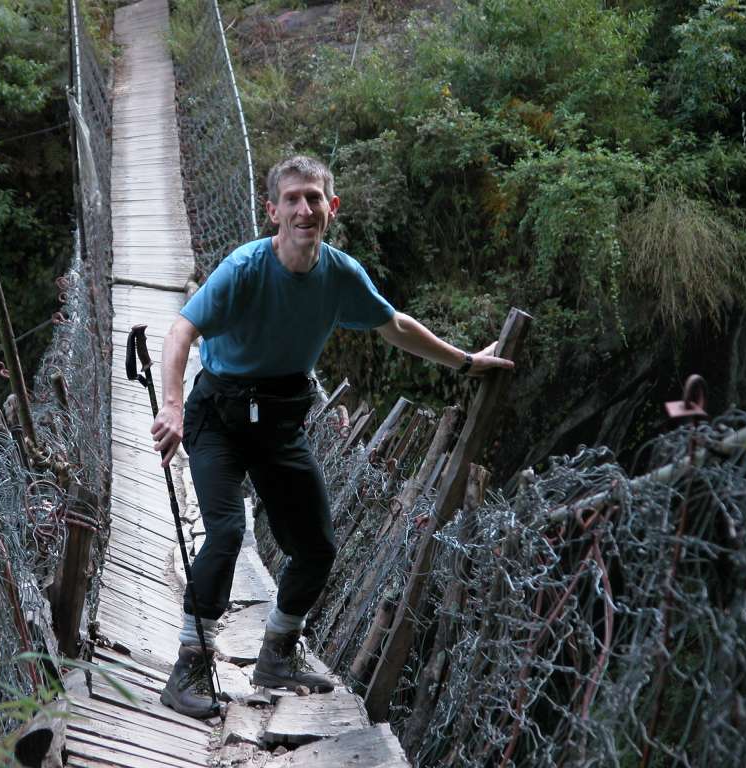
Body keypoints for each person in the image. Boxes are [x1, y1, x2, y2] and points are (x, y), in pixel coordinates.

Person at [152, 155, 514, 718]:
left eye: (314, 198)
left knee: (317, 546)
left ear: (332, 208)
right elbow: (182, 330)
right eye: (292, 199)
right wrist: (172, 406)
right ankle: (189, 669)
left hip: (278, 422)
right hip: (217, 418)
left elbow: (393, 324)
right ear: (271, 210)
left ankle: (277, 652)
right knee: (225, 532)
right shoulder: (244, 268)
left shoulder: (340, 275)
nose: (304, 209)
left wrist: (465, 362)